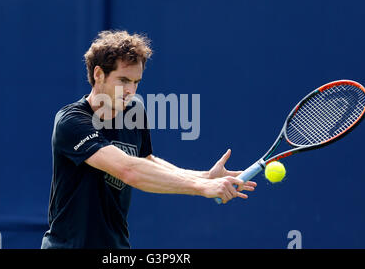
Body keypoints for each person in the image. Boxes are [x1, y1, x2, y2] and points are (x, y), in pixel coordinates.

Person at [41, 30, 257, 249]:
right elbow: (129, 170)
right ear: (98, 74)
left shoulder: (134, 111)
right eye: (123, 80)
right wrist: (200, 186)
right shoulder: (71, 121)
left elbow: (146, 160)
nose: (130, 91)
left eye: (136, 82)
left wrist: (206, 176)